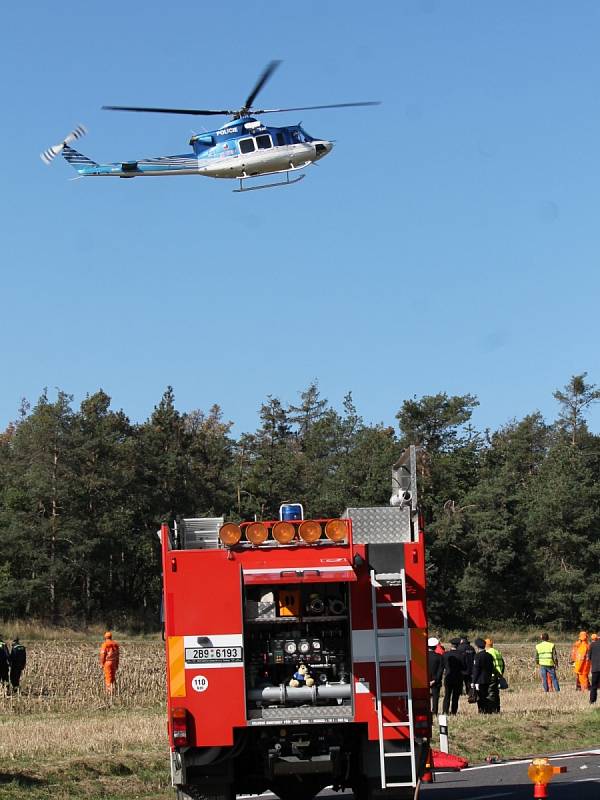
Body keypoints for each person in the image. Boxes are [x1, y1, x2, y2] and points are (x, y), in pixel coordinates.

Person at [471, 638, 495, 714]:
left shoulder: (477, 656)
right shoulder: (489, 655)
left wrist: (473, 681)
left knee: (480, 697)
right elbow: (491, 667)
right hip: (487, 678)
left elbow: (476, 670)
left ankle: (481, 710)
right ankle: (487, 710)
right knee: (486, 695)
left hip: (479, 680)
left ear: (477, 646)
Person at [442, 637, 464, 715]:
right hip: (458, 678)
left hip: (448, 677)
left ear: (451, 645)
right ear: (458, 645)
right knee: (455, 697)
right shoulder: (461, 655)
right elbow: (464, 667)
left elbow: (443, 665)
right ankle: (453, 712)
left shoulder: (445, 654)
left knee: (447, 696)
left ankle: (445, 711)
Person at [485, 637, 505, 713]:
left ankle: (492, 709)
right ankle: (497, 708)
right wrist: (501, 674)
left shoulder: (489, 652)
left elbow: (491, 665)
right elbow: (502, 664)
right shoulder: (497, 652)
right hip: (498, 674)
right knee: (496, 693)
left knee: (491, 692)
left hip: (492, 674)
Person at [99, 631, 120, 695]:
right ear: (111, 637)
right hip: (114, 661)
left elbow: (103, 655)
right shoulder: (115, 644)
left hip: (107, 663)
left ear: (105, 637)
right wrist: (117, 664)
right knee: (113, 677)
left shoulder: (104, 645)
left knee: (108, 677)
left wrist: (102, 663)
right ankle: (114, 689)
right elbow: (117, 655)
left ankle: (109, 692)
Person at [427, 637, 444, 715]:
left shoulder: (423, 656)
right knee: (435, 697)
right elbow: (440, 670)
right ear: (435, 646)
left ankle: (426, 711)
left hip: (424, 680)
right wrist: (435, 680)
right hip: (435, 681)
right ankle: (435, 712)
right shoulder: (439, 657)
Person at [589, 634, 600, 704]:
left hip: (595, 668)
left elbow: (589, 657)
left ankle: (592, 700)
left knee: (594, 686)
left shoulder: (592, 645)